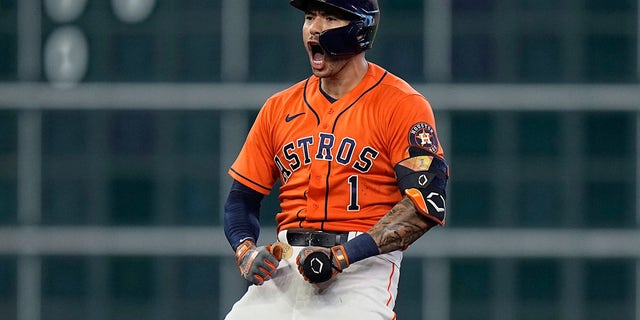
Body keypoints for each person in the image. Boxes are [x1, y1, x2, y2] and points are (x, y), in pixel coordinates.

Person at [223, 0, 449, 318]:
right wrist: (246, 250)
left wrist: (342, 256)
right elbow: (241, 200)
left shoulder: (402, 104)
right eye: (310, 16)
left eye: (330, 17)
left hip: (361, 268)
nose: (314, 27)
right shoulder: (278, 107)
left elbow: (426, 204)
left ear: (360, 30)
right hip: (286, 264)